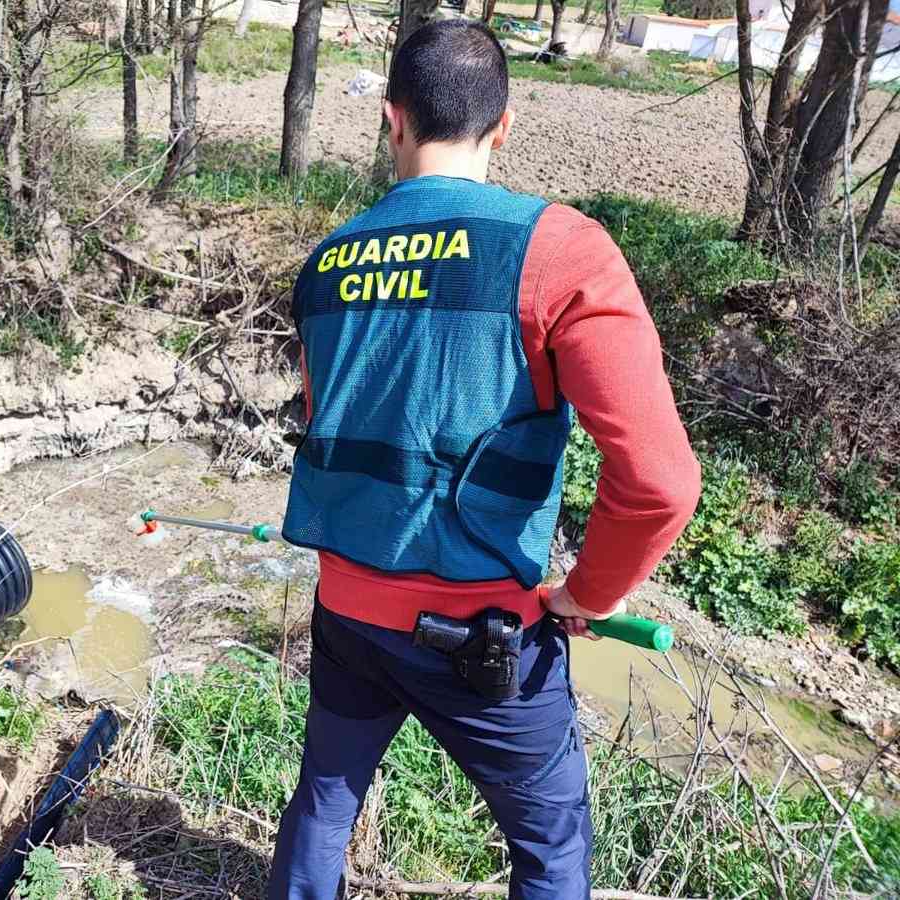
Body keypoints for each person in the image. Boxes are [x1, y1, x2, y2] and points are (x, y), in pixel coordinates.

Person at [268, 19, 701, 900]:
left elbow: (332, 426)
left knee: (324, 801)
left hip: (348, 612)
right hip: (485, 631)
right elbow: (658, 482)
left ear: (392, 120)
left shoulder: (326, 264)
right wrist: (588, 595)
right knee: (549, 847)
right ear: (503, 126)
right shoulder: (561, 251)